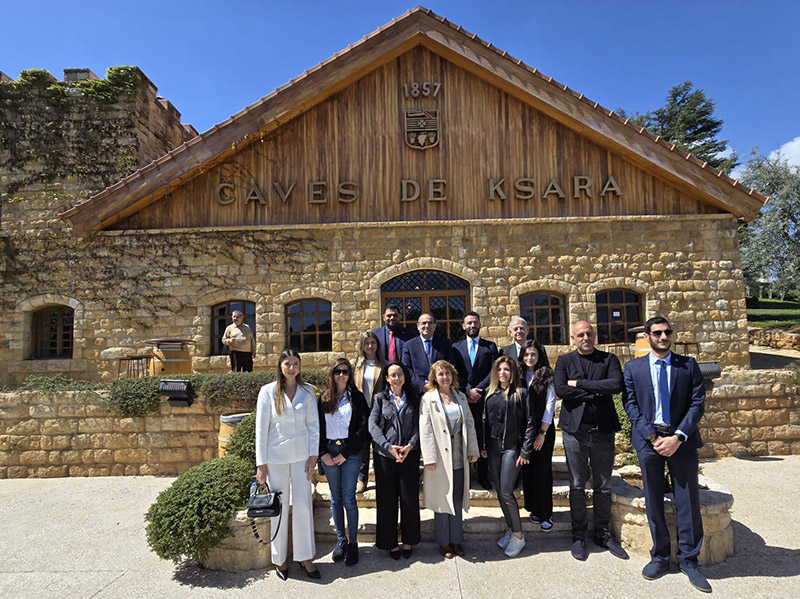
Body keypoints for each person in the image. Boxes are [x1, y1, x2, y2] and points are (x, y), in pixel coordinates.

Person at [623, 317, 711, 593]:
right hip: (649, 441)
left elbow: (697, 403)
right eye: (657, 333)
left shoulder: (688, 366)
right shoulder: (634, 368)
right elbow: (631, 404)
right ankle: (660, 556)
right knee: (654, 500)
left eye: (667, 332)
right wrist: (652, 436)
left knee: (687, 499)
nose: (663, 337)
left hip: (680, 441)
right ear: (647, 336)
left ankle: (689, 560)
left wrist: (677, 437)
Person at [554, 320, 628, 561]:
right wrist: (597, 390)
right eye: (580, 335)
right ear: (573, 338)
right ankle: (579, 536)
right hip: (575, 431)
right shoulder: (565, 361)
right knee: (576, 483)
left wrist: (582, 384)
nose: (585, 338)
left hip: (603, 430)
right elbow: (561, 390)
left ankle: (603, 533)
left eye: (588, 334)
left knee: (603, 484)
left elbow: (615, 385)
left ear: (594, 335)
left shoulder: (609, 360)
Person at [255, 349, 320, 580]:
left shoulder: (307, 391)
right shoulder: (267, 392)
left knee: (303, 505)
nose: (291, 368)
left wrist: (314, 455)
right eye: (287, 364)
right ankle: (279, 559)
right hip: (276, 459)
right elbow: (261, 429)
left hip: (303, 458)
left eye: (295, 363)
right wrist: (260, 464)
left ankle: (305, 557)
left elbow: (314, 425)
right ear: (280, 366)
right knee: (279, 509)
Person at [419, 360, 479, 559]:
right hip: (439, 457)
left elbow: (469, 424)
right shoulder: (428, 399)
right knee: (441, 498)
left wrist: (473, 449)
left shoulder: (460, 396)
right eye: (440, 374)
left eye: (447, 373)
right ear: (434, 378)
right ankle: (444, 542)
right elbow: (425, 429)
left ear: (452, 375)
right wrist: (428, 457)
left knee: (456, 497)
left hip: (459, 455)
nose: (445, 377)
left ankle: (457, 540)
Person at [481, 355, 536, 558]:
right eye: (499, 370)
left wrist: (525, 450)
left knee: (506, 492)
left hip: (512, 448)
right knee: (499, 491)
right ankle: (512, 530)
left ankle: (519, 536)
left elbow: (530, 422)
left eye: (506, 369)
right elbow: (486, 422)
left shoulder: (521, 393)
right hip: (493, 448)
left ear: (513, 373)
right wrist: (484, 446)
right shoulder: (491, 394)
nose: (503, 373)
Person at [318, 358, 370, 566]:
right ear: (332, 373)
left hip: (349, 453)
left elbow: (363, 429)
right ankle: (341, 540)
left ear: (350, 375)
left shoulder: (356, 398)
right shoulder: (322, 398)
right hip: (329, 451)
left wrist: (346, 453)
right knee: (335, 498)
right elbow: (316, 427)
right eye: (338, 371)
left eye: (345, 372)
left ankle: (354, 543)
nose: (341, 375)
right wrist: (323, 453)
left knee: (349, 498)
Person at [368, 362, 421, 559]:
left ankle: (409, 540)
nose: (397, 378)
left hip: (409, 454)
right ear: (387, 378)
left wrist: (410, 445)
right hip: (386, 456)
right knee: (387, 500)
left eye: (399, 374)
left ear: (404, 377)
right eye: (393, 375)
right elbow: (373, 425)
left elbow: (418, 425)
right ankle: (390, 543)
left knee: (409, 499)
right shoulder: (380, 398)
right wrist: (388, 447)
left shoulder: (414, 398)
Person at [451, 311, 498, 490]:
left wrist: (478, 389)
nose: (472, 326)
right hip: (463, 397)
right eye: (469, 323)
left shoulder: (490, 347)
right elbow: (455, 372)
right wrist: (468, 390)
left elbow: (493, 370)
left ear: (480, 325)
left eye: (475, 323)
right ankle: (466, 475)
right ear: (463, 326)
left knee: (482, 435)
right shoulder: (456, 347)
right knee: (464, 435)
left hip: (484, 397)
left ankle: (483, 475)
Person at [518, 339, 557, 532]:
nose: (529, 358)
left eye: (533, 354)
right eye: (526, 354)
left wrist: (542, 433)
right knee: (528, 470)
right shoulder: (518, 375)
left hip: (543, 431)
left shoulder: (547, 376)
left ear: (539, 356)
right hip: (524, 432)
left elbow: (550, 406)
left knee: (542, 472)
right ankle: (533, 507)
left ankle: (546, 513)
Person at [353, 330, 387, 493]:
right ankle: (362, 479)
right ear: (362, 346)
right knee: (363, 446)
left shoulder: (385, 364)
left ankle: (382, 478)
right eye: (367, 343)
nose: (370, 346)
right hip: (361, 410)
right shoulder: (356, 364)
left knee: (379, 445)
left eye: (373, 342)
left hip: (378, 410)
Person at [401, 312, 453, 394]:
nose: (427, 326)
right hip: (417, 392)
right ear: (418, 326)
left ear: (435, 326)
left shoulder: (444, 343)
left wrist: (439, 383)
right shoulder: (409, 345)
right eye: (424, 323)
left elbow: (450, 364)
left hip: (440, 390)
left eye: (430, 323)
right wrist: (421, 385)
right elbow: (406, 368)